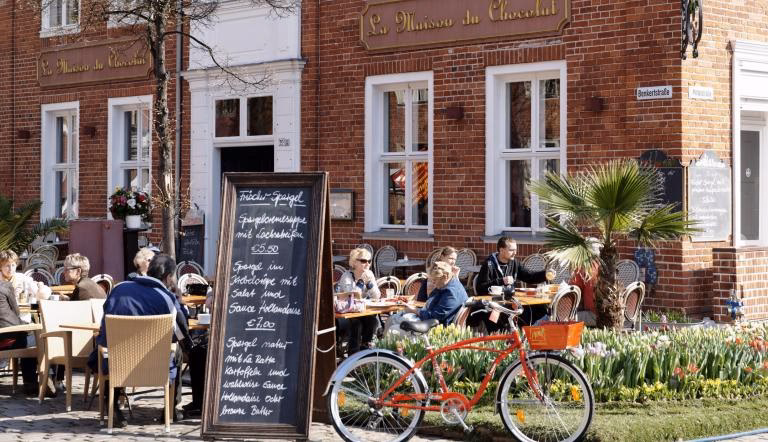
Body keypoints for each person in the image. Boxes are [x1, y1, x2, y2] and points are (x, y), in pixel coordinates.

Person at [88, 254, 192, 427]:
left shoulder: (118, 290)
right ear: (168, 277)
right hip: (156, 366)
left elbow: (104, 327)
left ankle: (112, 404)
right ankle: (171, 408)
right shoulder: (167, 299)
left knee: (111, 348)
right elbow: (182, 334)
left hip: (117, 363)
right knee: (178, 351)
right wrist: (180, 303)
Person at [475, 237, 547, 329]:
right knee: (497, 317)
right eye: (511, 250)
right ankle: (502, 338)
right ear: (501, 250)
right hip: (495, 304)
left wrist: (545, 274)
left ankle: (527, 335)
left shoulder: (514, 263)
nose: (515, 253)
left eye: (515, 250)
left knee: (539, 308)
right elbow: (480, 287)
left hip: (511, 302)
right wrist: (501, 281)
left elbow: (529, 276)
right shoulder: (489, 264)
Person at [334, 247, 381, 355]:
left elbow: (377, 296)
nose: (368, 264)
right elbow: (352, 297)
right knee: (357, 325)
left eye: (369, 261)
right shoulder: (347, 276)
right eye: (364, 261)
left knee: (373, 322)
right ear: (354, 262)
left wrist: (370, 284)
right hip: (346, 314)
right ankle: (353, 356)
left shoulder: (369, 275)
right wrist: (360, 283)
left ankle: (365, 353)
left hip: (361, 312)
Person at [0, 281, 43, 396]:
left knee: (28, 336)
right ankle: (34, 383)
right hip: (7, 339)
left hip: (5, 338)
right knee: (36, 339)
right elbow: (17, 311)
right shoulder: (5, 286)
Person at [402, 261, 468, 325]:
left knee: (397, 322)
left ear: (445, 277)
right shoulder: (452, 283)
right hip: (433, 319)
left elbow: (435, 317)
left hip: (437, 326)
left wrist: (415, 311)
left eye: (435, 280)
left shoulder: (450, 292)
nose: (433, 283)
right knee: (399, 317)